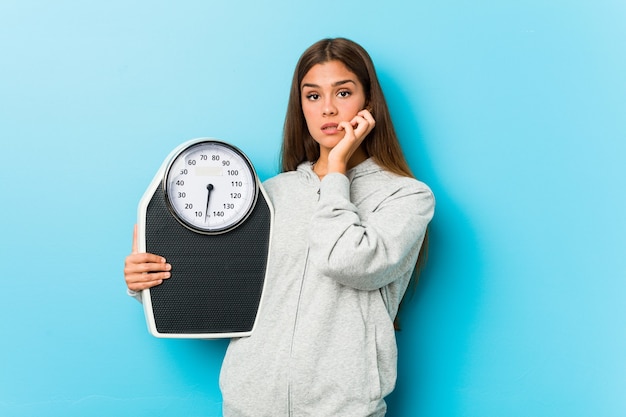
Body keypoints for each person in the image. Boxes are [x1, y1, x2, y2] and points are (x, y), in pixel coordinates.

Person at [124, 37, 435, 417]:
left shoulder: (406, 197)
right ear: (301, 106)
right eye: (313, 96)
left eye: (343, 92)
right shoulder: (269, 196)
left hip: (344, 408)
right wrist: (148, 282)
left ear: (368, 103)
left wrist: (335, 172)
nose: (329, 109)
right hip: (250, 403)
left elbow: (347, 263)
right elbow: (221, 283)